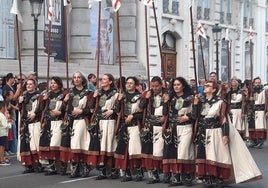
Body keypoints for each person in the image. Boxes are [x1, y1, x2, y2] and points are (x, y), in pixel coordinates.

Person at [162, 77, 195, 186]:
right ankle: (176, 177)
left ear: (183, 86)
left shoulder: (190, 98)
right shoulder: (171, 97)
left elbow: (196, 114)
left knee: (184, 151)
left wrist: (188, 117)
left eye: (178, 84)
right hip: (173, 127)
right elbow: (165, 113)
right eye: (174, 85)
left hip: (186, 127)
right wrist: (165, 103)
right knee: (173, 152)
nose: (176, 87)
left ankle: (187, 176)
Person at [61, 71, 93, 178]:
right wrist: (64, 101)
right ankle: (75, 167)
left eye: (79, 77)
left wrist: (82, 111)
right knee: (73, 143)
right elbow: (63, 109)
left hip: (82, 120)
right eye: (74, 77)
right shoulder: (69, 92)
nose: (76, 79)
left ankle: (84, 166)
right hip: (71, 121)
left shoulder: (88, 93)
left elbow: (91, 109)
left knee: (81, 143)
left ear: (82, 79)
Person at [88, 73, 119, 180]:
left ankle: (113, 169)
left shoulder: (115, 94)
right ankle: (102, 171)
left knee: (109, 145)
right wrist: (94, 96)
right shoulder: (99, 93)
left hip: (109, 122)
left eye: (105, 79)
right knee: (100, 146)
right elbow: (91, 108)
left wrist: (113, 110)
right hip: (99, 122)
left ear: (110, 82)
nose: (102, 80)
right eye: (102, 79)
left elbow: (119, 109)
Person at [139, 76, 168, 184]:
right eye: (153, 86)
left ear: (161, 85)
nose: (155, 88)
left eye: (157, 86)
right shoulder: (148, 94)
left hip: (162, 125)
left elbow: (171, 109)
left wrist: (166, 117)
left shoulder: (167, 94)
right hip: (150, 125)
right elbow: (140, 107)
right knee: (149, 150)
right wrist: (146, 98)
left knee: (160, 150)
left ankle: (166, 173)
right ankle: (154, 175)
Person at [114, 76, 143, 182]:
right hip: (124, 126)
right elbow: (117, 111)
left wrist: (133, 116)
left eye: (131, 83)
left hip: (135, 125)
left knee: (135, 150)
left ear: (135, 85)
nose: (129, 84)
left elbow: (143, 114)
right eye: (127, 83)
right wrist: (119, 100)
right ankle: (127, 172)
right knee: (124, 150)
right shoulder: (123, 96)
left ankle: (139, 171)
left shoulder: (140, 97)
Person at [39, 77, 65, 175]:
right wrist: (43, 100)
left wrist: (60, 112)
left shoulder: (64, 95)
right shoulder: (47, 94)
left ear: (59, 84)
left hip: (58, 122)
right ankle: (52, 167)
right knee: (48, 145)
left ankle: (62, 166)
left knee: (56, 144)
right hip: (48, 122)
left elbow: (67, 109)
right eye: (51, 83)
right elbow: (41, 109)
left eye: (54, 83)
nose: (52, 85)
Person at [18, 79, 41, 173]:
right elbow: (21, 110)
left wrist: (35, 114)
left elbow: (42, 109)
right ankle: (28, 165)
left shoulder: (39, 97)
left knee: (35, 144)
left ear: (34, 85)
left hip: (35, 123)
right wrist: (20, 102)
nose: (28, 86)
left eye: (31, 84)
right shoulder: (23, 96)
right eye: (27, 84)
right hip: (25, 124)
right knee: (25, 145)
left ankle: (38, 164)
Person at [247, 77, 267, 148]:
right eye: (256, 83)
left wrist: (267, 111)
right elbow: (247, 101)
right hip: (253, 110)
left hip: (261, 110)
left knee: (260, 126)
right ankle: (254, 141)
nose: (257, 84)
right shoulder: (252, 91)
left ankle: (260, 141)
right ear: (254, 83)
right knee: (252, 126)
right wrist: (249, 99)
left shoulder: (264, 91)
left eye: (259, 83)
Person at [0, 101, 11, 166]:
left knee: (1, 147)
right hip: (3, 133)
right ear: (2, 107)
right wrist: (9, 124)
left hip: (1, 133)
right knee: (2, 147)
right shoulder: (2, 115)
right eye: (5, 107)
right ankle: (1, 160)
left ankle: (2, 158)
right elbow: (5, 125)